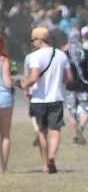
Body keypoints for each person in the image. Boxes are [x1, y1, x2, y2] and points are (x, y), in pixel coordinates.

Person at [18, 27, 72, 174]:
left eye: (32, 40)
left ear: (39, 40)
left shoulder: (35, 56)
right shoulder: (61, 55)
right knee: (56, 130)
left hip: (39, 99)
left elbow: (34, 77)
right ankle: (52, 157)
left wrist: (24, 85)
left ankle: (45, 164)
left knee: (42, 132)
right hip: (56, 97)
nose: (32, 43)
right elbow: (69, 78)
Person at [63, 31, 88, 145]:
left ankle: (75, 138)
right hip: (84, 86)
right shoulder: (85, 52)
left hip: (70, 86)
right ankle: (81, 126)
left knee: (72, 112)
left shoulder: (66, 54)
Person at [0, 34, 14, 172]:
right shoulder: (4, 60)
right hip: (4, 99)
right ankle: (4, 167)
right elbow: (7, 83)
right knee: (5, 134)